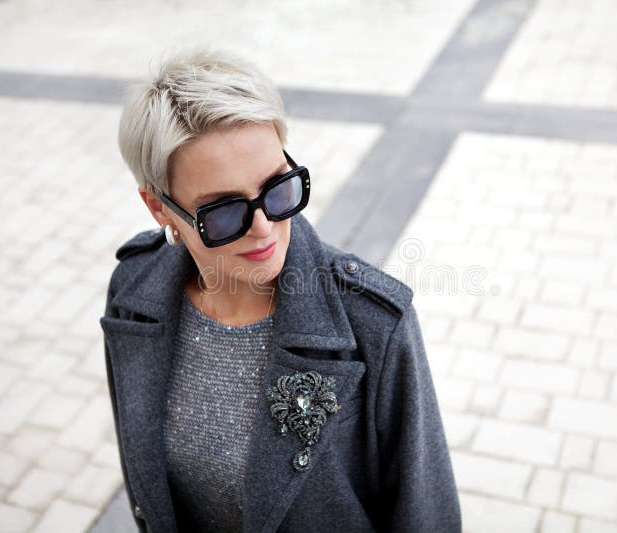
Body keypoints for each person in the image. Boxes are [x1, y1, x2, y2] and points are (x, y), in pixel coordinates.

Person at [101, 47, 461, 533]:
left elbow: (426, 515)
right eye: (224, 211)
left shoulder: (373, 324)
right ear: (159, 208)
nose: (265, 227)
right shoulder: (133, 295)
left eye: (278, 188)